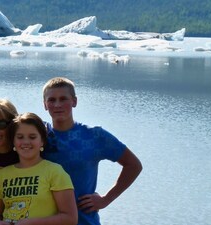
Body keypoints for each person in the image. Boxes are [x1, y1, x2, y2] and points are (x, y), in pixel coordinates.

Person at [41, 77, 143, 225]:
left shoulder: (95, 136)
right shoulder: (38, 136)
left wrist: (106, 199)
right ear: (45, 104)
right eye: (52, 100)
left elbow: (133, 165)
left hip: (85, 221)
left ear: (74, 101)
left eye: (63, 99)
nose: (57, 105)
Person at [0, 112, 78, 225]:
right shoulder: (1, 175)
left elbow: (70, 218)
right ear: (13, 142)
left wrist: (32, 223)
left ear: (42, 141)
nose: (26, 142)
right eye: (20, 137)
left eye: (32, 137)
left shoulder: (55, 172)